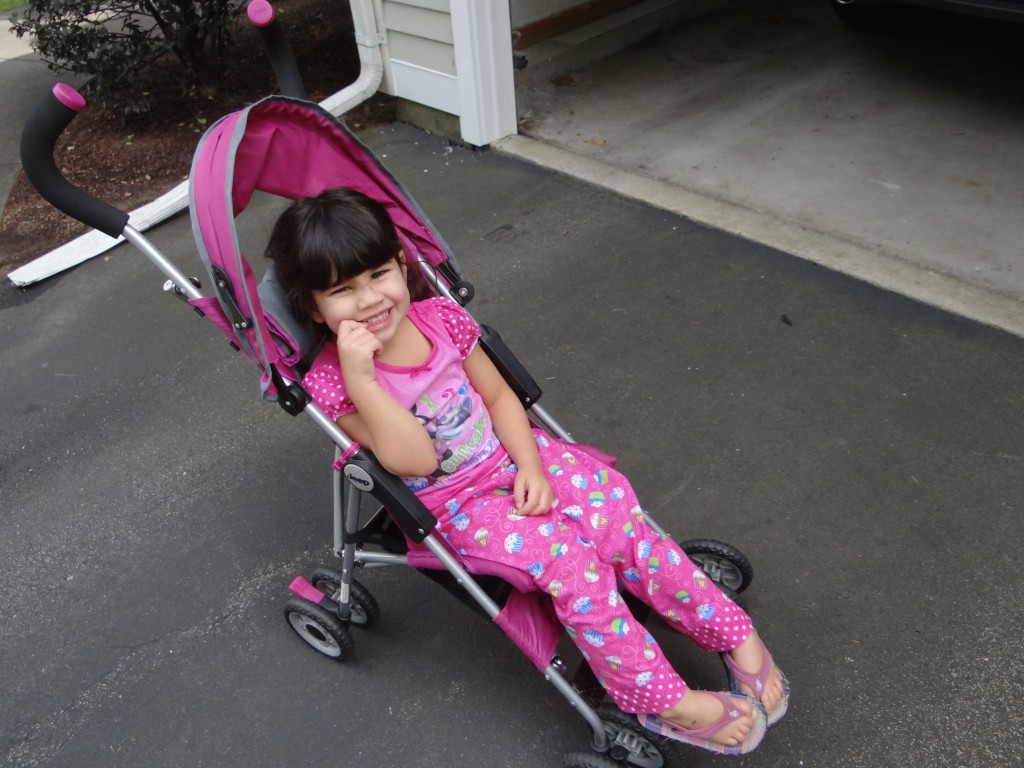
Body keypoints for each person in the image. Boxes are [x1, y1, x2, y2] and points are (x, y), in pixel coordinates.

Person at [265, 187, 789, 755]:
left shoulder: (439, 318)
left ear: (401, 264)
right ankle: (660, 698)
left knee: (617, 511)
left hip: (512, 455)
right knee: (574, 568)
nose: (369, 300)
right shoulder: (336, 383)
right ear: (315, 308)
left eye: (378, 274)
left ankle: (730, 633)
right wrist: (363, 378)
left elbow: (499, 396)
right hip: (459, 505)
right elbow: (416, 460)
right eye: (343, 290)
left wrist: (531, 463)